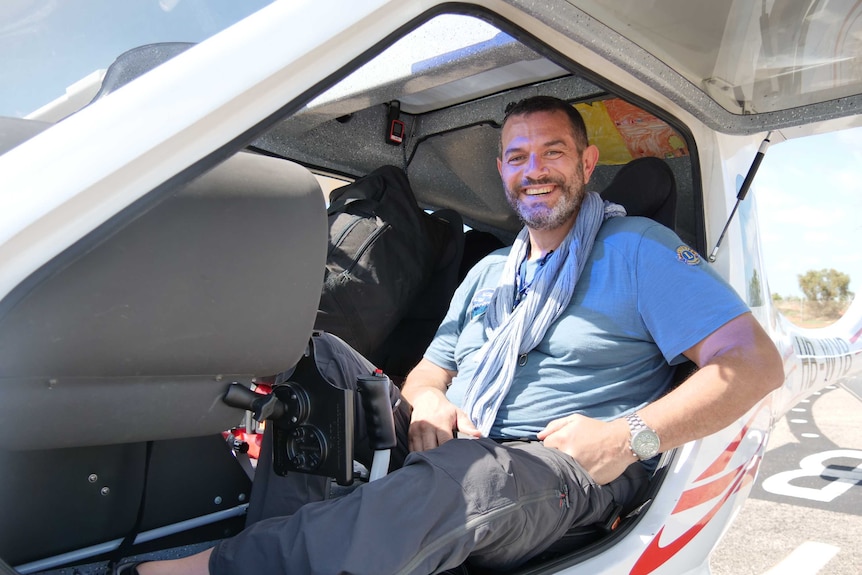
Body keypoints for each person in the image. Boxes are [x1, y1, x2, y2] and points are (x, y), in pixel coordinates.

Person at [118, 96, 784, 574]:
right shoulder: (493, 270)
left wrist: (628, 435)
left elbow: (754, 364)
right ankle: (282, 545)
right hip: (472, 439)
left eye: (553, 151)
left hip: (572, 466)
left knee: (464, 475)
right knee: (315, 358)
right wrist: (431, 397)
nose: (535, 168)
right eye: (518, 155)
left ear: (586, 164)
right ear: (503, 172)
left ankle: (217, 569)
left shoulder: (639, 249)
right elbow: (433, 371)